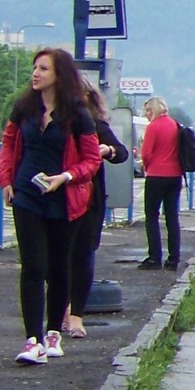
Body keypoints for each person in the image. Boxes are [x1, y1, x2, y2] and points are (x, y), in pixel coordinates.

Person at [0, 48, 101, 364]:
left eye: (44, 68)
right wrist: (6, 181)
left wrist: (66, 176)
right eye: (34, 68)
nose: (36, 73)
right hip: (27, 196)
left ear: (60, 74)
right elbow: (9, 144)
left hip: (64, 199)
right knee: (33, 266)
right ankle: (32, 341)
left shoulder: (78, 114)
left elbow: (92, 160)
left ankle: (54, 331)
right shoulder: (24, 108)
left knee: (58, 267)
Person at [67, 83, 132, 338]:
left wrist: (109, 149)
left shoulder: (96, 125)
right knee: (56, 257)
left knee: (83, 255)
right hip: (59, 196)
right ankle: (63, 309)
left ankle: (76, 314)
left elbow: (122, 153)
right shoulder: (53, 122)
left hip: (89, 199)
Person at [138, 96, 184, 270]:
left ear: (154, 110)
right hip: (175, 176)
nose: (147, 114)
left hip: (156, 175)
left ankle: (155, 257)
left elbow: (146, 154)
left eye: (148, 111)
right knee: (172, 217)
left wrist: (149, 168)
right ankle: (173, 259)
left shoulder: (153, 127)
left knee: (151, 217)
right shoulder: (174, 125)